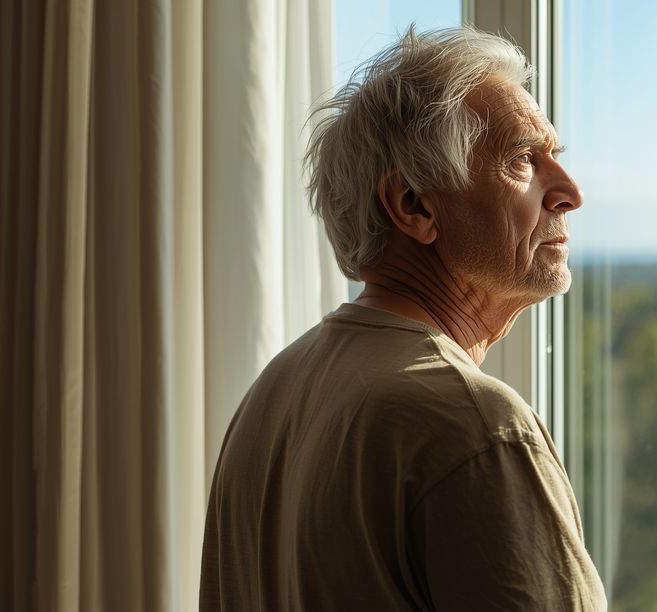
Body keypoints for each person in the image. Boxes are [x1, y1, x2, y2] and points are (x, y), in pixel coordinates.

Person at [200, 26, 607, 611]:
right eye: (523, 159)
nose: (569, 192)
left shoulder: (277, 389)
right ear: (413, 205)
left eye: (554, 159)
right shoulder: (475, 424)